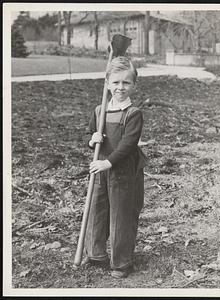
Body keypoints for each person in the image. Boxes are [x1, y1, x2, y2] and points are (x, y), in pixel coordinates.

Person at [84, 56, 147, 278]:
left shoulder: (133, 114)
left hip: (122, 172)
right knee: (97, 209)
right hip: (100, 171)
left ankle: (121, 262)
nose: (120, 87)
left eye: (126, 83)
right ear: (107, 83)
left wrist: (107, 162)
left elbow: (128, 146)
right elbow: (92, 136)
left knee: (121, 215)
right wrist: (93, 140)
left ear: (134, 85)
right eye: (116, 82)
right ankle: (96, 254)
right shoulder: (99, 110)